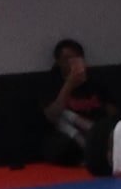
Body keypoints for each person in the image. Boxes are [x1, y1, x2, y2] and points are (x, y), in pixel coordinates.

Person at [41, 38, 116, 166]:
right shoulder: (52, 83)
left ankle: (89, 136)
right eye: (67, 59)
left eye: (76, 58)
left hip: (98, 130)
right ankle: (86, 137)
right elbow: (52, 116)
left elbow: (113, 112)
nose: (72, 63)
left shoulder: (96, 82)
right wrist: (69, 84)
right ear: (58, 62)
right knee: (61, 123)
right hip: (69, 136)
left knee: (65, 117)